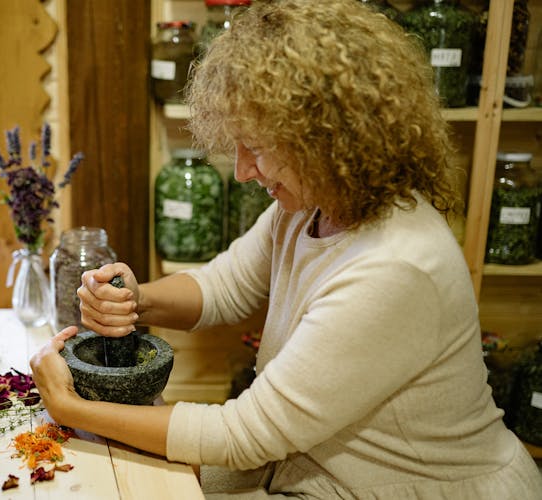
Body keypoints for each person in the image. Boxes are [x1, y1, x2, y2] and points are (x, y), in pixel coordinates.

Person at [30, 1, 542, 497]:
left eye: (256, 146)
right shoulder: (313, 204)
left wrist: (68, 405)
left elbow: (244, 434)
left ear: (328, 139)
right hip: (314, 470)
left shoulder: (396, 266)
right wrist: (135, 299)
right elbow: (224, 287)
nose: (243, 171)